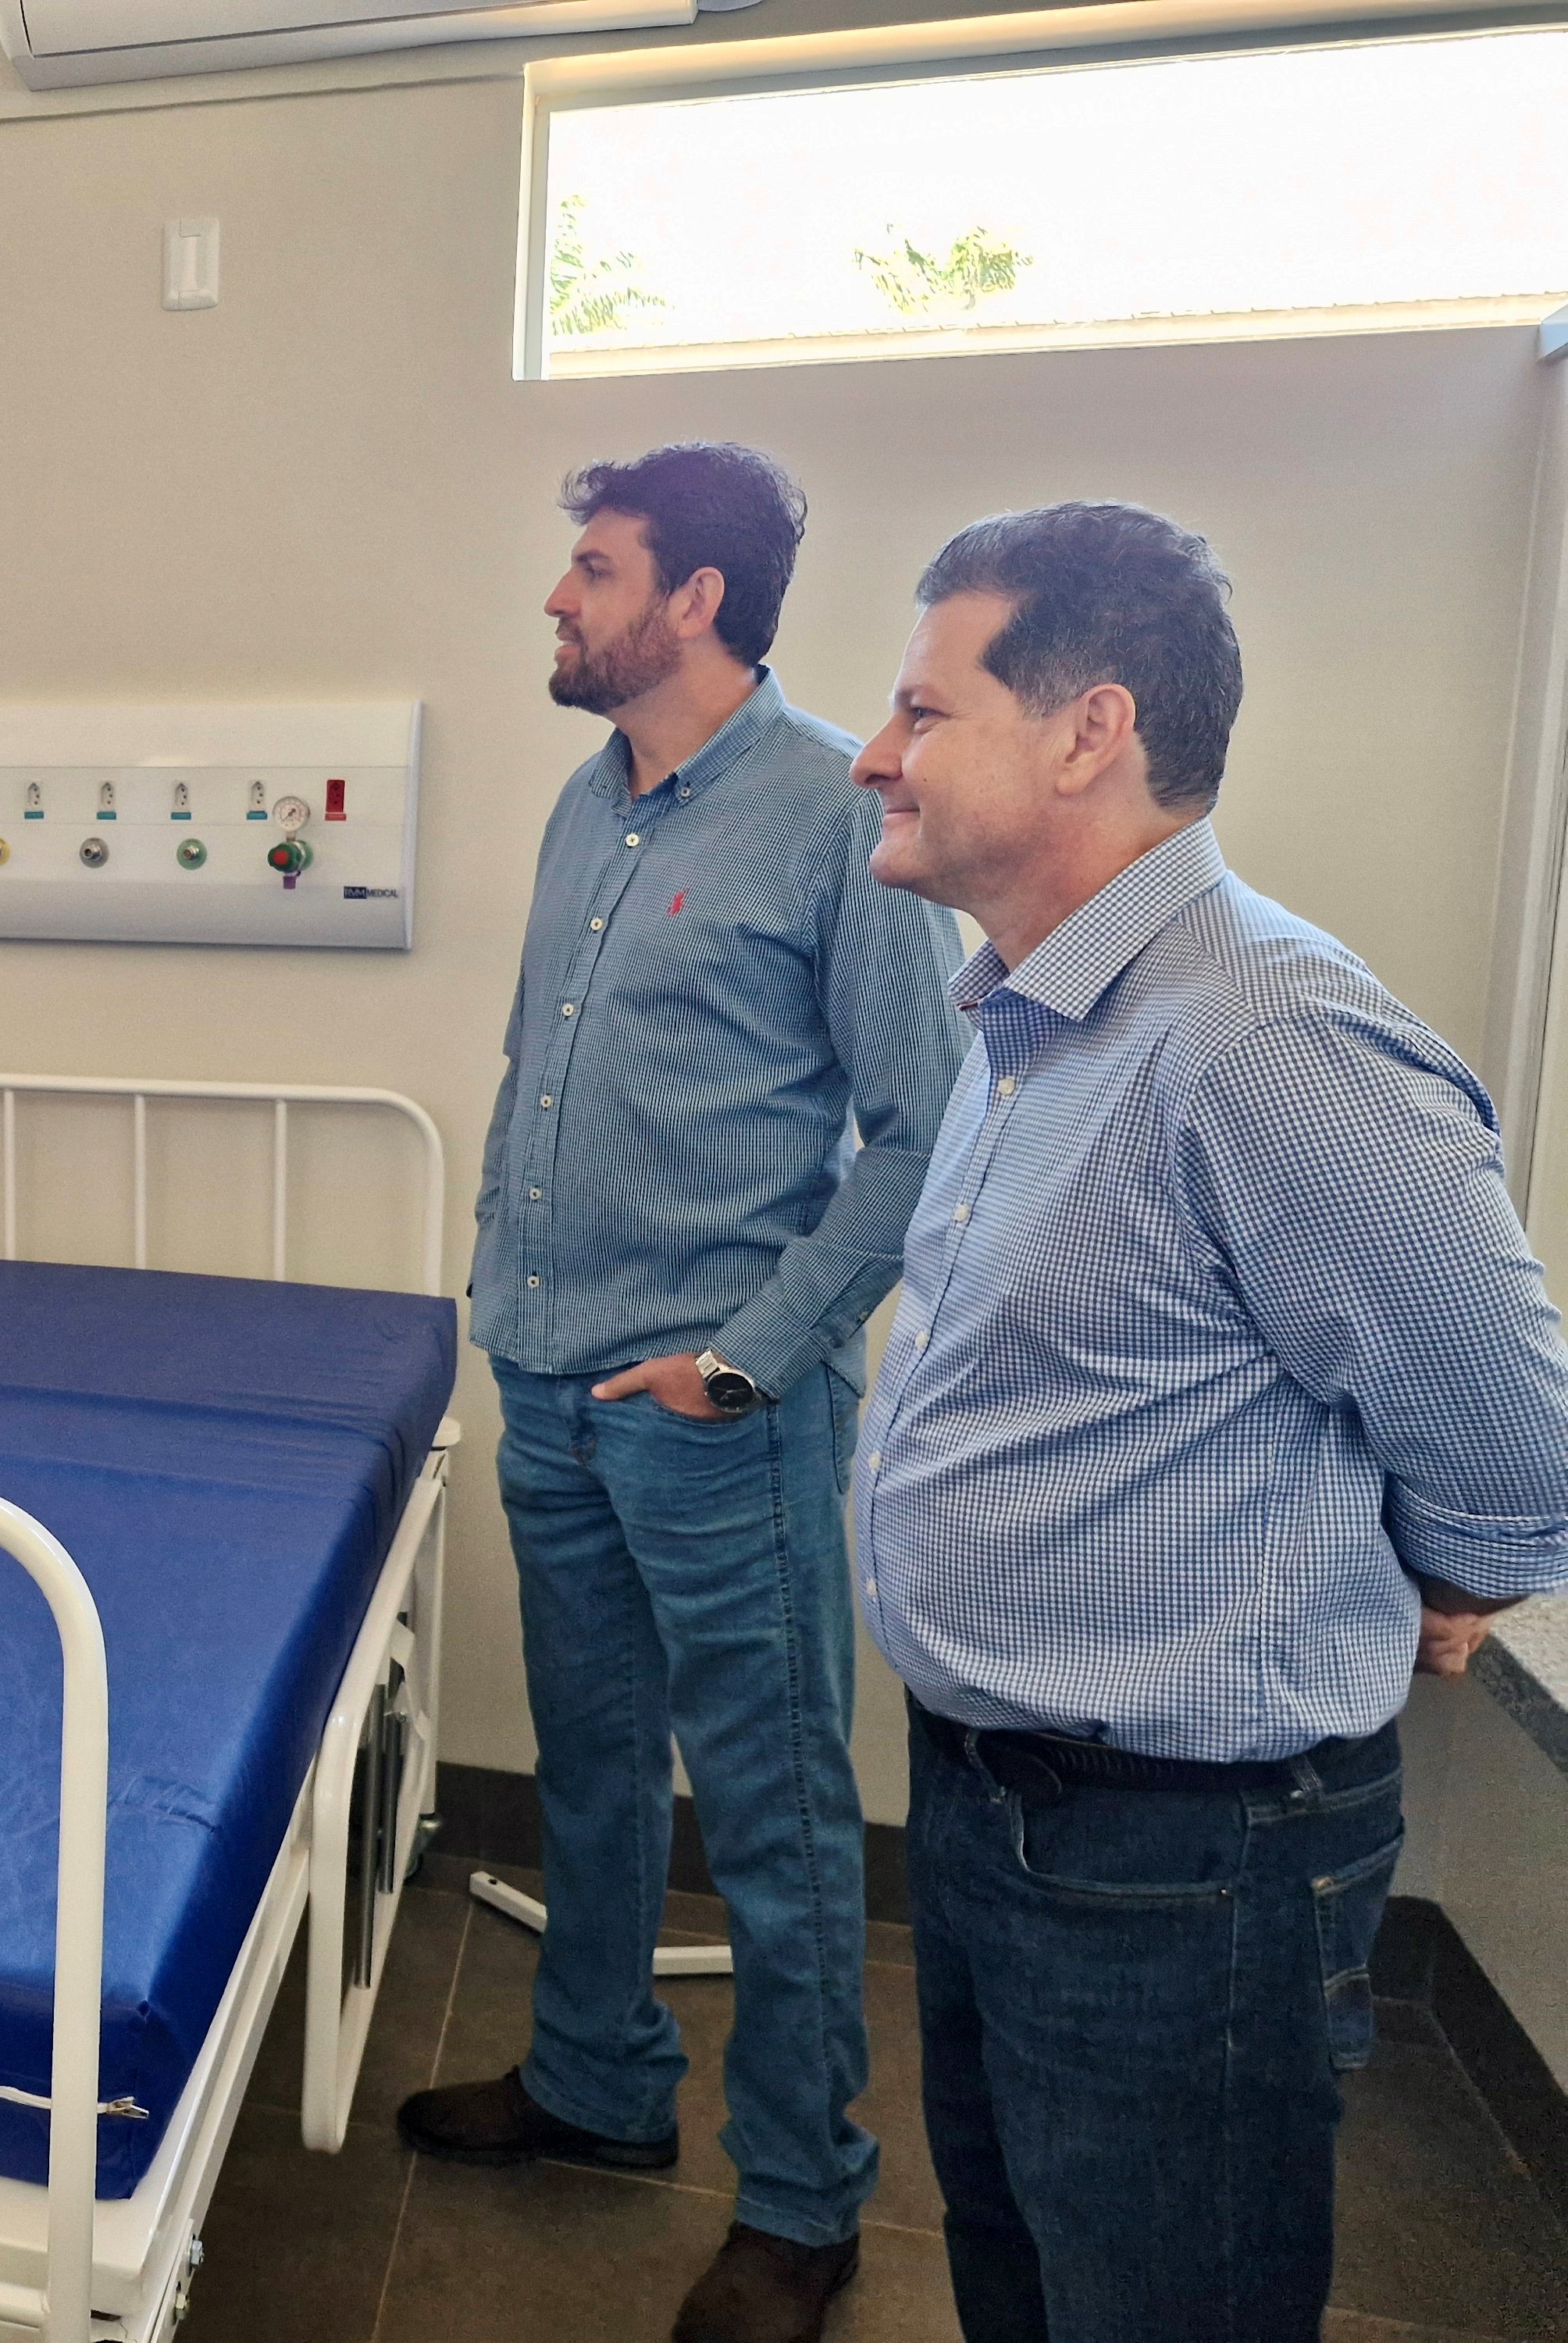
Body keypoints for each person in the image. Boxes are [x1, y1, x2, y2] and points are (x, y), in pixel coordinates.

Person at [847, 500, 1568, 2341]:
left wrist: (1425, 1580)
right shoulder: (1031, 1019)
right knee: (1022, 2282)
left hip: (1178, 1861)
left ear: (1085, 732)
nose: (870, 755)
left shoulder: (1264, 1040)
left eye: (920, 711)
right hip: (995, 1805)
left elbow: (1512, 1451)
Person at [401, 443, 968, 2343]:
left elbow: (921, 1134)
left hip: (711, 1413)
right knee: (585, 1771)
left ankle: (799, 2205)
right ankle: (593, 2082)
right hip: (551, 1375)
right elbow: (539, 1071)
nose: (556, 599)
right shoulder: (589, 802)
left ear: (692, 599)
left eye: (592, 568)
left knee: (776, 1818)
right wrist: (505, 1290)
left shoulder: (825, 811)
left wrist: (745, 1359)